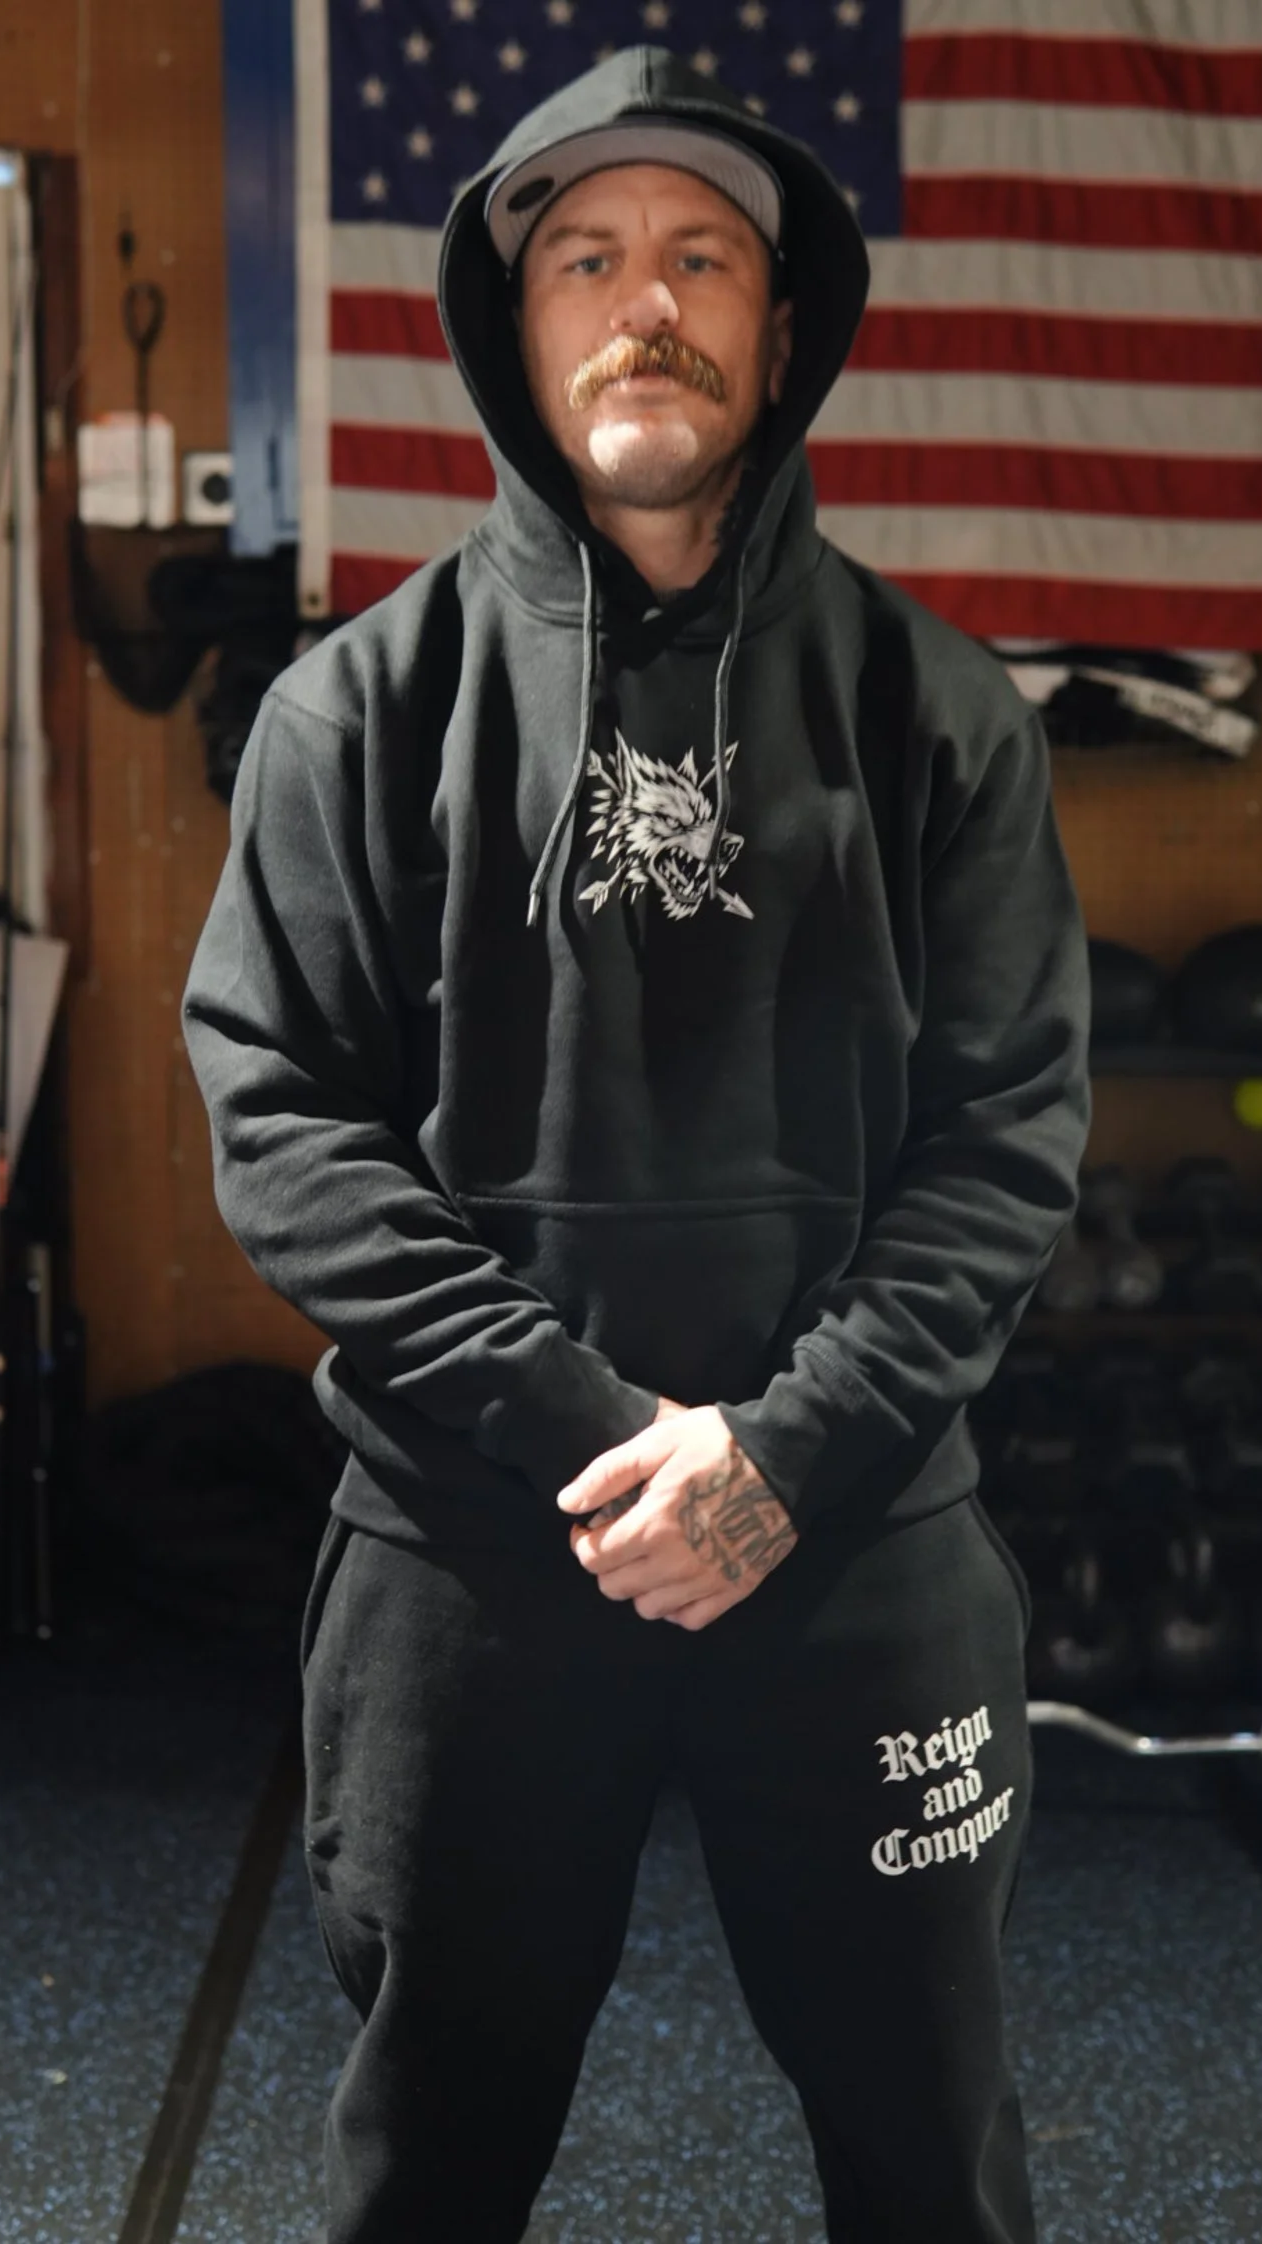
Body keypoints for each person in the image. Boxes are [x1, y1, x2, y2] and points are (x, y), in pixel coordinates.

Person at [182, 45, 1091, 2244]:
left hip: (856, 1545)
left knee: (929, 2155)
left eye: (701, 258)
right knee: (427, 2162)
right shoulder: (355, 713)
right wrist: (596, 1437)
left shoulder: (939, 713)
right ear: (514, 328)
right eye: (585, 259)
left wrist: (785, 1455)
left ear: (784, 325)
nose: (645, 304)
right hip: (475, 1559)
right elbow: (283, 1120)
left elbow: (1004, 1135)